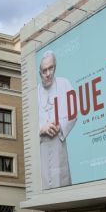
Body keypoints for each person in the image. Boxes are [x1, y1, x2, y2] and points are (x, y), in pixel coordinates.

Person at [38, 50, 77, 189]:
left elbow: (73, 113)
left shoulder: (64, 84)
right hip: (42, 147)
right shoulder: (35, 92)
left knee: (62, 185)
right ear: (40, 73)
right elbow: (29, 126)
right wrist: (41, 128)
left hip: (58, 145)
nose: (48, 74)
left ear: (55, 67)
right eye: (44, 70)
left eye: (51, 68)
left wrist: (60, 126)